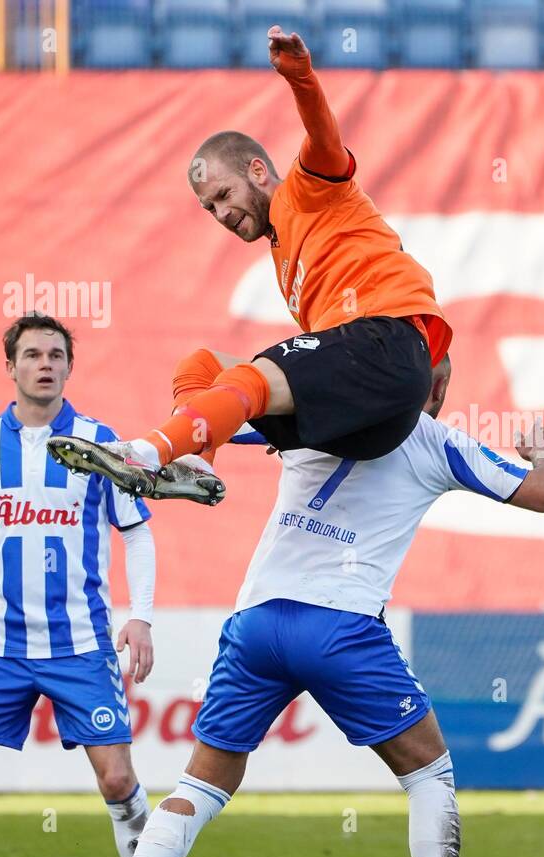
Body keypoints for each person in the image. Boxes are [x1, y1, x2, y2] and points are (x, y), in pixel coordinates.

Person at [127, 354, 544, 857]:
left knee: (199, 783)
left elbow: (200, 366)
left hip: (257, 621)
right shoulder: (437, 440)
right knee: (429, 775)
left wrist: (201, 440)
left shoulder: (309, 415)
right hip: (341, 624)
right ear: (438, 386)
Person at [49, 29, 452, 506]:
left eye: (223, 196)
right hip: (366, 413)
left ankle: (144, 451)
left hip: (383, 353)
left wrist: (300, 76)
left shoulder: (308, 189)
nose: (221, 214)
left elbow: (324, 136)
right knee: (201, 365)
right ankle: (197, 462)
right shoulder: (286, 253)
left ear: (258, 171)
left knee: (255, 374)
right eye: (209, 209)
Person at [0, 312, 157, 857]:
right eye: (32, 355)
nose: (45, 364)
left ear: (70, 367)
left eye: (55, 355)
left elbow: (137, 533)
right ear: (10, 367)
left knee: (118, 778)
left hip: (79, 643)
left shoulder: (100, 442)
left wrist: (141, 615)